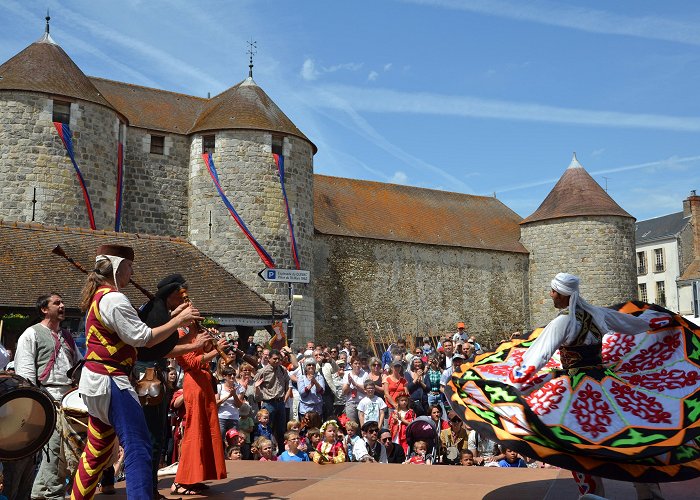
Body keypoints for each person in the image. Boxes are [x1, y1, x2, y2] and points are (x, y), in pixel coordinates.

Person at [447, 272, 700, 493]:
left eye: (554, 291)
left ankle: (593, 494)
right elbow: (633, 324)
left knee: (577, 444)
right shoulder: (598, 314)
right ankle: (648, 491)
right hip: (606, 383)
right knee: (633, 436)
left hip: (578, 389)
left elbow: (537, 356)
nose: (550, 295)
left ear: (563, 294)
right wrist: (662, 321)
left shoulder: (563, 321)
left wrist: (512, 384)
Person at [71, 244, 201, 500]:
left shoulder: (100, 297)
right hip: (111, 382)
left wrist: (171, 316)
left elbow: (134, 334)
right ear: (119, 267)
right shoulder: (114, 299)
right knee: (138, 446)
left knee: (96, 451)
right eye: (129, 266)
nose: (132, 271)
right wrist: (178, 321)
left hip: (97, 382)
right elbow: (143, 338)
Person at [9, 293, 81, 500]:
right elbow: (25, 374)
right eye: (57, 303)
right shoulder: (30, 334)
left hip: (68, 398)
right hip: (45, 399)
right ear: (44, 309)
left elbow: (79, 366)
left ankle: (40, 492)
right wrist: (38, 402)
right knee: (55, 451)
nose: (62, 305)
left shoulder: (67, 336)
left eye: (62, 302)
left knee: (63, 451)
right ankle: (52, 494)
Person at [170, 308, 228, 495]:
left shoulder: (194, 333)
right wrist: (215, 353)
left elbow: (202, 355)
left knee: (206, 430)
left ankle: (196, 477)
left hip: (204, 383)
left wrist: (214, 344)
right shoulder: (180, 334)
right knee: (194, 431)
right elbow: (193, 363)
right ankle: (181, 481)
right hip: (194, 384)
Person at [255, 347, 298, 453]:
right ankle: (265, 452)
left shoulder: (282, 369)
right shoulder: (263, 371)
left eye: (278, 359)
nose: (277, 361)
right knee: (266, 430)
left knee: (281, 430)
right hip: (269, 403)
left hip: (280, 403)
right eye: (274, 359)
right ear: (269, 359)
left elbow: (288, 385)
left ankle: (282, 452)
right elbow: (254, 385)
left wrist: (285, 397)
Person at [342, 356, 368, 423]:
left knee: (364, 424)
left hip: (362, 403)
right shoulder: (347, 374)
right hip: (351, 403)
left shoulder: (365, 374)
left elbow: (366, 390)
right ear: (351, 365)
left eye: (359, 363)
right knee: (352, 425)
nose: (357, 365)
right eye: (355, 363)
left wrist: (355, 384)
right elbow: (344, 392)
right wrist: (349, 383)